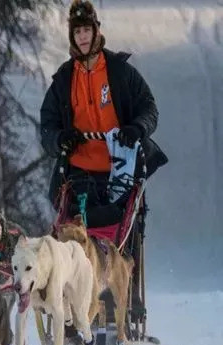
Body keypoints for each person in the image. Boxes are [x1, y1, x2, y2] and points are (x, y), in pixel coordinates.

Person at [41, 0, 167, 216]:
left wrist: (137, 128)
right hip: (79, 175)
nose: (82, 36)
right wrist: (60, 139)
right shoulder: (64, 80)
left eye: (86, 30)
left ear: (96, 31)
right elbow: (47, 125)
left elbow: (149, 108)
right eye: (77, 31)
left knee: (118, 238)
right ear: (71, 35)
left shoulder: (120, 72)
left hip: (120, 173)